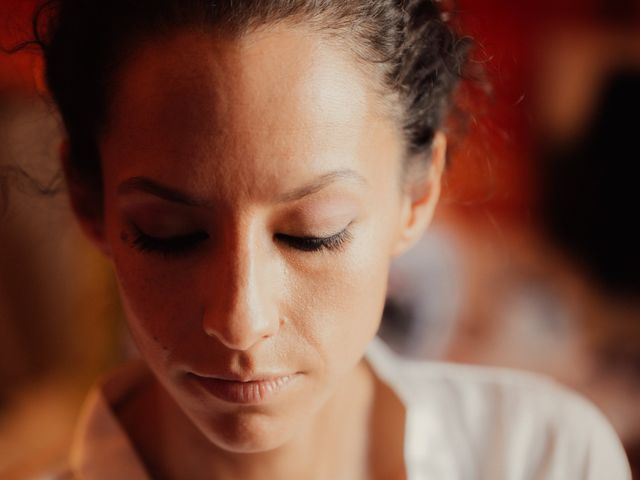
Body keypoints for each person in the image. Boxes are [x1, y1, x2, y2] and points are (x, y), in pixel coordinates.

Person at [7, 0, 632, 478]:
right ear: (89, 200)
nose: (240, 320)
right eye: (170, 235)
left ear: (416, 196)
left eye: (313, 235)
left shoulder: (543, 457)